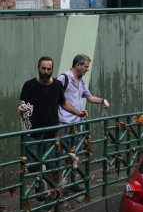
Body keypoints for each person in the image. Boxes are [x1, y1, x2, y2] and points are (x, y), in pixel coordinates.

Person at [18, 56, 87, 202]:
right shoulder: (29, 86)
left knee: (52, 166)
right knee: (34, 167)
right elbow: (22, 107)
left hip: (52, 134)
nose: (46, 71)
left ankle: (50, 196)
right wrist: (23, 113)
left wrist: (78, 112)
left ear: (52, 70)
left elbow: (63, 103)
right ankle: (40, 188)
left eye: (49, 69)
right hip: (32, 134)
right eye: (43, 68)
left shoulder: (56, 85)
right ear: (38, 68)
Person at [57, 53, 110, 127]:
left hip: (78, 122)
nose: (87, 69)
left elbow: (90, 97)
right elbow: (55, 98)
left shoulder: (81, 81)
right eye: (86, 67)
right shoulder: (63, 78)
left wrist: (103, 100)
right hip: (65, 123)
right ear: (78, 65)